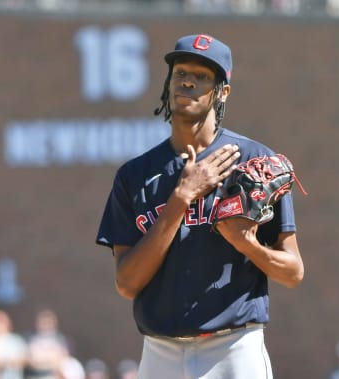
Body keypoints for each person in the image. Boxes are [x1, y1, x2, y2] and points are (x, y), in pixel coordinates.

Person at [96, 33, 305, 379]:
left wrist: (246, 243)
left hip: (234, 348)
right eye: (180, 73)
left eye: (203, 76)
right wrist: (180, 199)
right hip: (159, 351)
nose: (188, 81)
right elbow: (127, 283)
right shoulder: (135, 175)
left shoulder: (255, 161)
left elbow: (293, 272)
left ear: (222, 91)